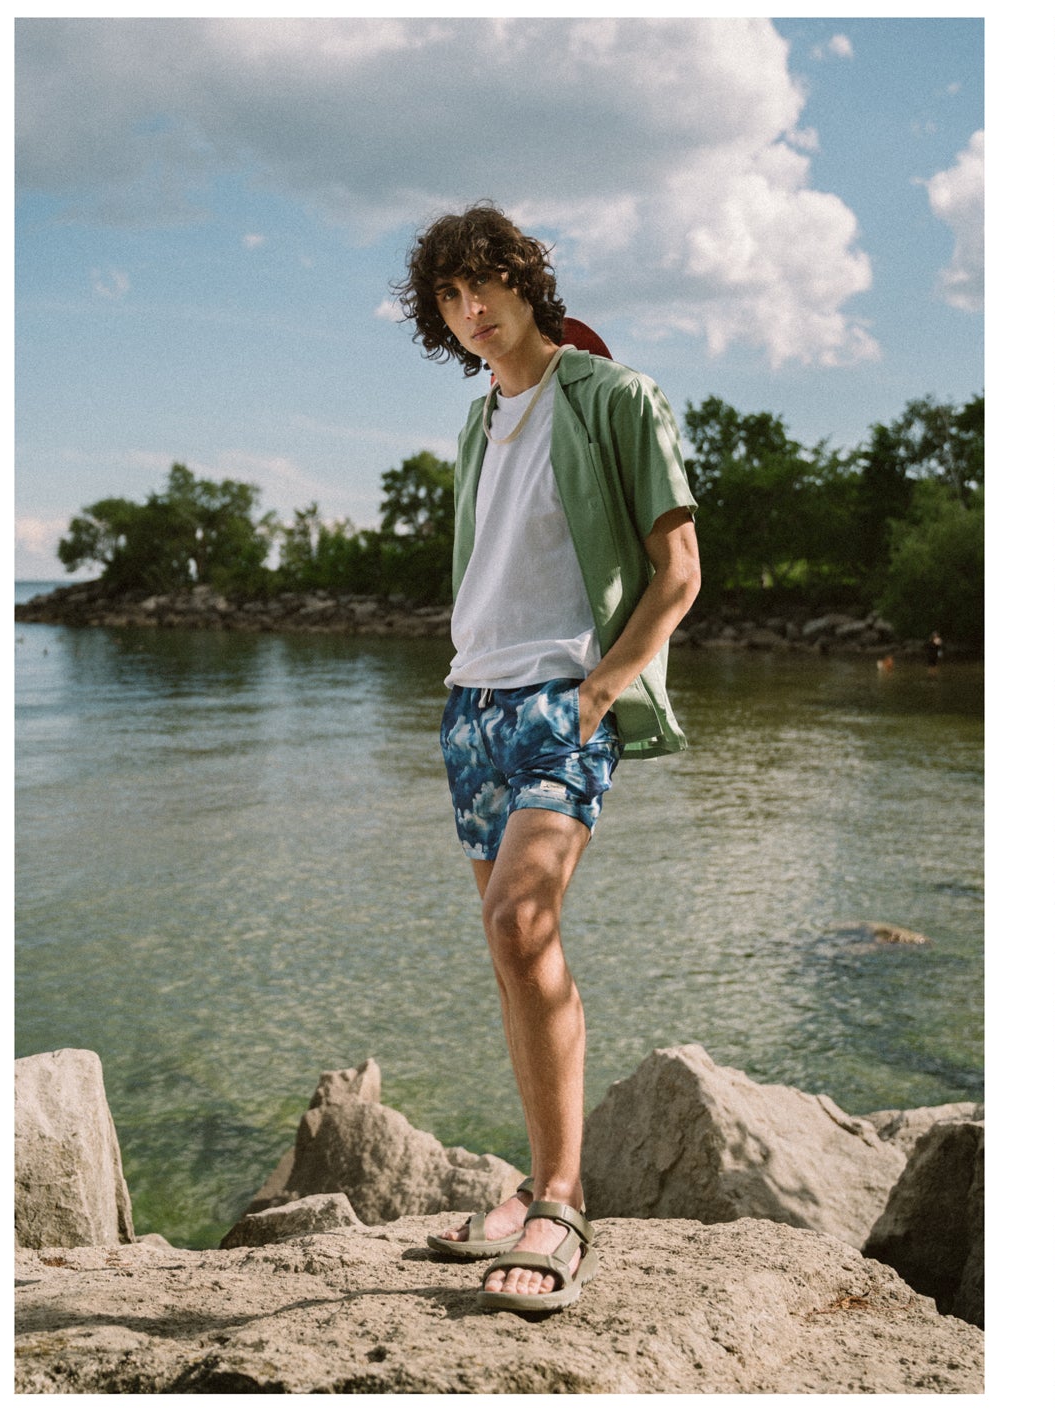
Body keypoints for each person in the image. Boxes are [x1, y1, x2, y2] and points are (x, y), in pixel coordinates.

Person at [392, 202, 701, 1312]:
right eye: (449, 297)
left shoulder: (616, 397)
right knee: (510, 952)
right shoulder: (478, 427)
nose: (472, 310)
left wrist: (604, 689)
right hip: (470, 706)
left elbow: (678, 572)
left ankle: (565, 1198)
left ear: (525, 281)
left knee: (523, 923)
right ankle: (531, 1184)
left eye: (486, 284)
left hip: (560, 703)